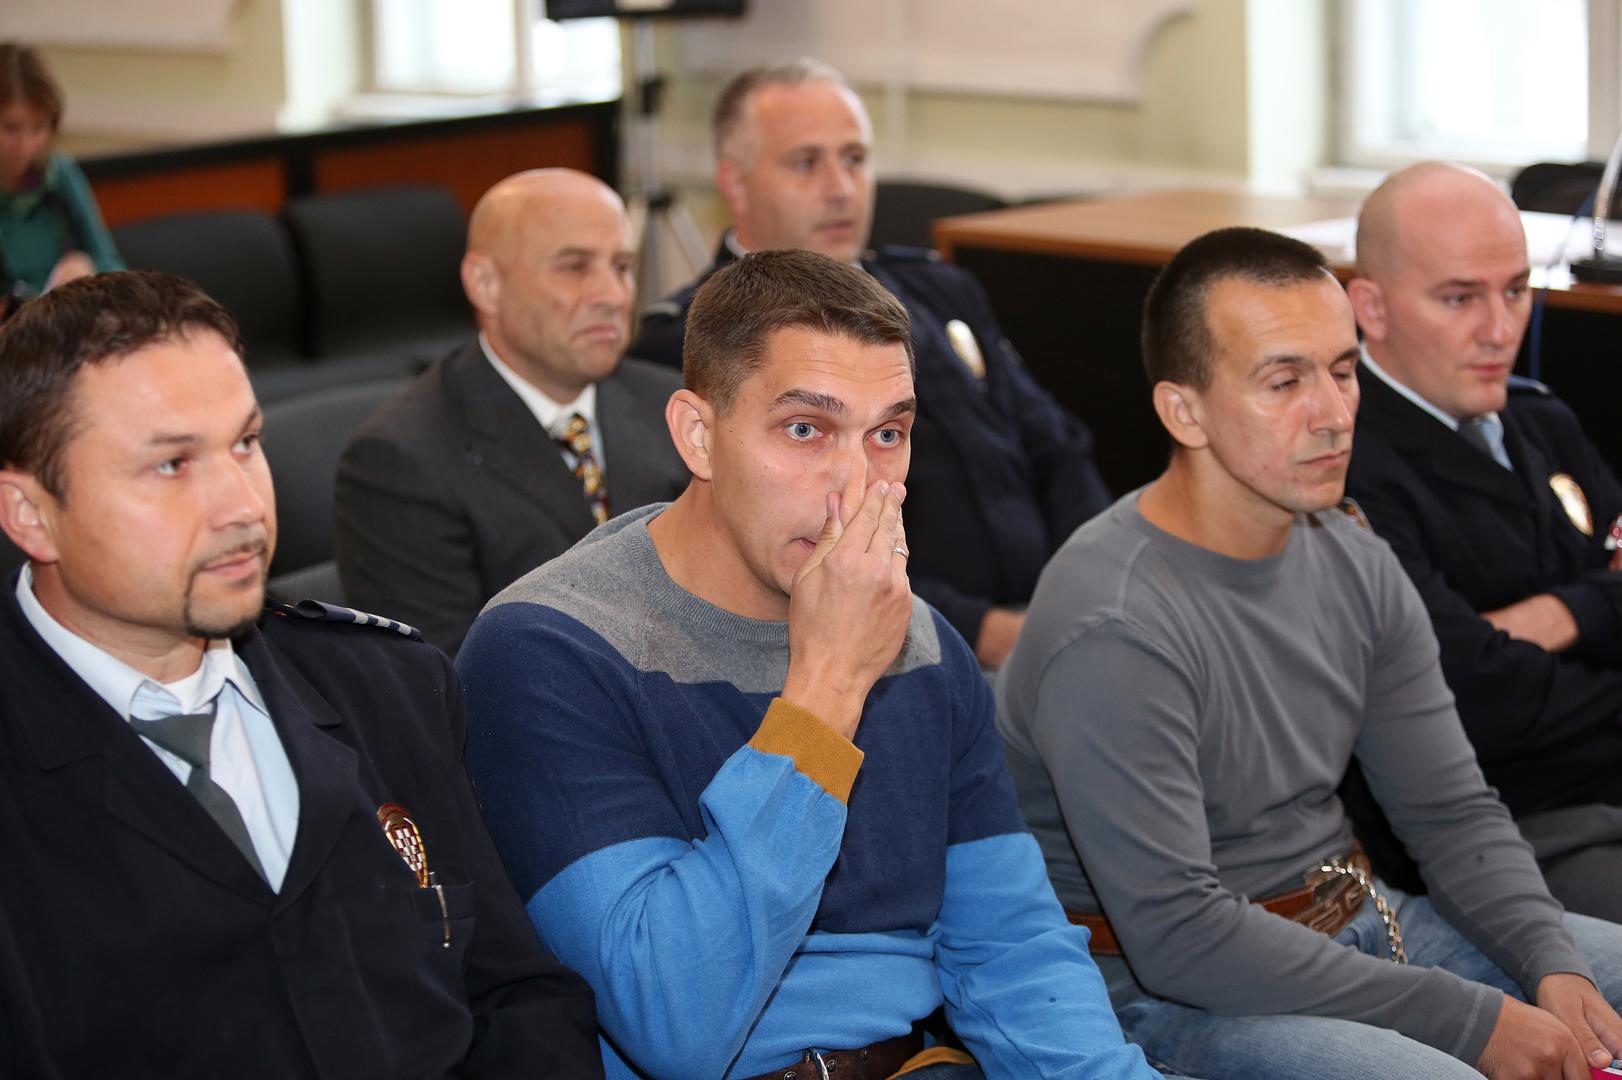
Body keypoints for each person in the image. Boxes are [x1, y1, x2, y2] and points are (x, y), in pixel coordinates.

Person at [459, 250, 1160, 1080]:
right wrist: (828, 685)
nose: (855, 486)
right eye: (805, 430)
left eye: (888, 435)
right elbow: (672, 1021)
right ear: (698, 435)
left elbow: (1012, 950)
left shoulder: (923, 645)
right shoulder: (547, 651)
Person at [996, 226, 1622, 1080]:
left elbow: (1450, 812)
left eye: (1343, 370)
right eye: (1284, 381)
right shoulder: (1115, 622)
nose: (1332, 414)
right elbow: (1180, 936)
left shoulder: (1353, 553)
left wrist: (1552, 962)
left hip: (1362, 920)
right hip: (1170, 996)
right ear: (1184, 412)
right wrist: (1471, 1020)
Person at [0, 271, 603, 1078]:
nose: (242, 504)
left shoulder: (386, 685)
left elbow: (517, 994)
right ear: (31, 514)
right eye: (172, 465)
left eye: (246, 443)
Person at [629, 58, 1109, 669]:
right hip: (899, 640)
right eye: (806, 163)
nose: (840, 188)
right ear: (736, 183)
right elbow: (764, 545)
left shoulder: (940, 289)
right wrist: (982, 630)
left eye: (854, 159)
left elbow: (1057, 448)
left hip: (1048, 609)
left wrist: (1092, 579)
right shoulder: (691, 337)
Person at [1342, 160, 1622, 920]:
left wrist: (1559, 616)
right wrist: (1601, 613)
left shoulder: (1541, 420)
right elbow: (1467, 699)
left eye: (1516, 290)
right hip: (1507, 837)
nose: (1500, 330)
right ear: (1371, 307)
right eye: (1460, 298)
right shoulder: (1347, 468)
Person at [335, 168, 687, 654]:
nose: (612, 295)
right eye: (574, 267)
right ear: (485, 283)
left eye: (622, 267)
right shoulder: (401, 462)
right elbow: (441, 679)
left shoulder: (672, 404)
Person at [0, 42, 123, 312]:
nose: (25, 145)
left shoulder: (59, 173)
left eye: (38, 128)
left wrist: (88, 270)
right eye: (11, 127)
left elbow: (112, 264)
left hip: (63, 321)